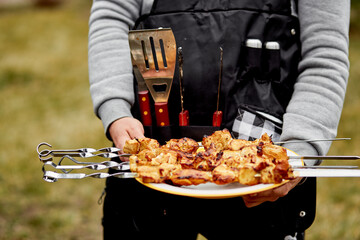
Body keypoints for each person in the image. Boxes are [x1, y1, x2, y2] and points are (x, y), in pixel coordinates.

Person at [88, 0, 350, 239]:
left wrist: (300, 151)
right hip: (150, 166)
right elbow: (112, 14)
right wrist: (115, 110)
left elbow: (324, 54)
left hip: (263, 183)